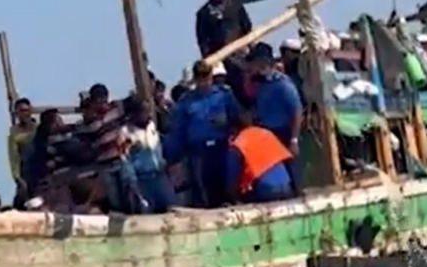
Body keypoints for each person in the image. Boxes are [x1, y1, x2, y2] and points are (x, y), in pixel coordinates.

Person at [164, 60, 245, 209]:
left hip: (221, 148)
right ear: (195, 79)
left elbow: (239, 119)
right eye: (200, 78)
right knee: (203, 193)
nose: (204, 82)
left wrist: (226, 122)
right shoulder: (186, 102)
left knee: (226, 187)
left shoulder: (223, 95)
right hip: (198, 153)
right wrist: (172, 157)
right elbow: (178, 131)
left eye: (206, 77)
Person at [195, 0, 253, 97]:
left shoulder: (236, 7)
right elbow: (202, 40)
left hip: (239, 57)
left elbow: (247, 28)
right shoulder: (203, 13)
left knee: (245, 89)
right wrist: (209, 60)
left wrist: (249, 52)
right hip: (218, 61)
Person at [118, 93, 176, 213]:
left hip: (160, 177)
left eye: (149, 110)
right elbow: (124, 160)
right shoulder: (125, 133)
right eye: (144, 111)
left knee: (171, 210)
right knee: (146, 215)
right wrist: (131, 182)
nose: (148, 114)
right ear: (135, 113)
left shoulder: (152, 126)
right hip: (141, 182)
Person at [245, 42, 303, 155]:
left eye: (254, 62)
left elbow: (297, 111)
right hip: (265, 133)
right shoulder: (260, 84)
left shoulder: (282, 84)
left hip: (282, 134)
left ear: (262, 62)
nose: (251, 65)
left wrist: (294, 140)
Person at [226, 120, 300, 204]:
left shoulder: (238, 143)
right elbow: (289, 162)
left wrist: (234, 199)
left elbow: (232, 177)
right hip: (287, 189)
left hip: (265, 191)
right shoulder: (266, 133)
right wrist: (296, 191)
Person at [5, 98, 37, 194]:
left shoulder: (38, 129)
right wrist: (17, 177)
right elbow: (13, 157)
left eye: (26, 110)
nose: (24, 114)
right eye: (21, 111)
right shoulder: (14, 133)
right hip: (26, 173)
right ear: (17, 113)